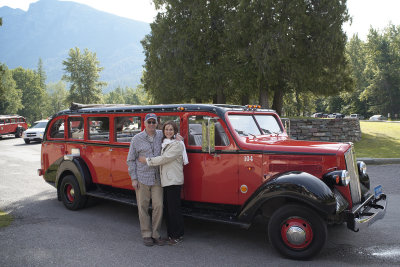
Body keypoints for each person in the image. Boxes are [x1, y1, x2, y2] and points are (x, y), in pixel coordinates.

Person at [139, 120, 188, 245]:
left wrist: (147, 160)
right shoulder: (165, 142)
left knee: (174, 209)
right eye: (166, 129)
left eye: (171, 129)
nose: (168, 131)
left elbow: (164, 158)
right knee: (168, 209)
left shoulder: (177, 145)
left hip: (173, 181)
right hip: (166, 180)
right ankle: (171, 234)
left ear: (175, 131)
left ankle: (177, 236)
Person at [127, 113, 165, 247]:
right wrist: (134, 179)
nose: (151, 125)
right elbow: (130, 160)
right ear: (144, 123)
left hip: (158, 178)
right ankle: (146, 234)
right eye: (149, 122)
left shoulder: (161, 135)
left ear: (156, 123)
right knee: (142, 207)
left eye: (153, 122)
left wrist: (178, 137)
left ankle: (156, 233)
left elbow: (172, 137)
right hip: (142, 178)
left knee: (158, 206)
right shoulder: (136, 139)